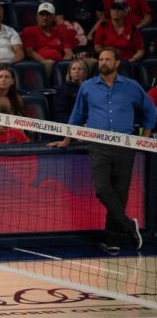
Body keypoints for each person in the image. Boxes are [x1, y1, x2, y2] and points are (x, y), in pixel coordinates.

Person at [64, 48, 156, 254]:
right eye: (101, 59)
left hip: (125, 146)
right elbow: (77, 115)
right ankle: (129, 225)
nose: (103, 62)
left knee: (120, 194)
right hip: (99, 145)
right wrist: (66, 138)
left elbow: (150, 112)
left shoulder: (132, 87)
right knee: (102, 189)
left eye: (107, 59)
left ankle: (112, 239)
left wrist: (145, 136)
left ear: (117, 63)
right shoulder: (87, 87)